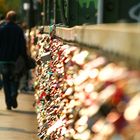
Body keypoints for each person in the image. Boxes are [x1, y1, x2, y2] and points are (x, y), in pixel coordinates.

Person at [0, 10, 28, 110]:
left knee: (6, 81)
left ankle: (8, 102)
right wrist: (25, 58)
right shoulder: (19, 30)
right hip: (15, 60)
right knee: (15, 79)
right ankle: (14, 94)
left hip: (3, 60)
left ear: (7, 18)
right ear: (15, 19)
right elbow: (23, 46)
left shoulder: (2, 29)